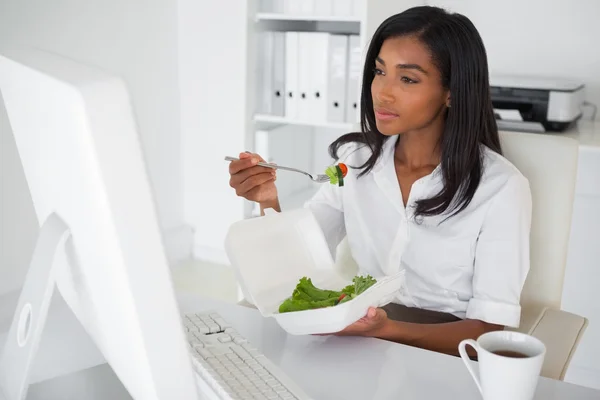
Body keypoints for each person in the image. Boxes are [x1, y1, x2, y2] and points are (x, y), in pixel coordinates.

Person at [227, 6, 532, 357]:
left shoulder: (501, 188)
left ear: (451, 92)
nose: (383, 93)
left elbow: (490, 332)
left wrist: (387, 330)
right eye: (379, 71)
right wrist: (267, 199)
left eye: (408, 79)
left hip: (444, 355)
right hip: (359, 337)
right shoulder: (356, 162)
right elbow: (298, 259)